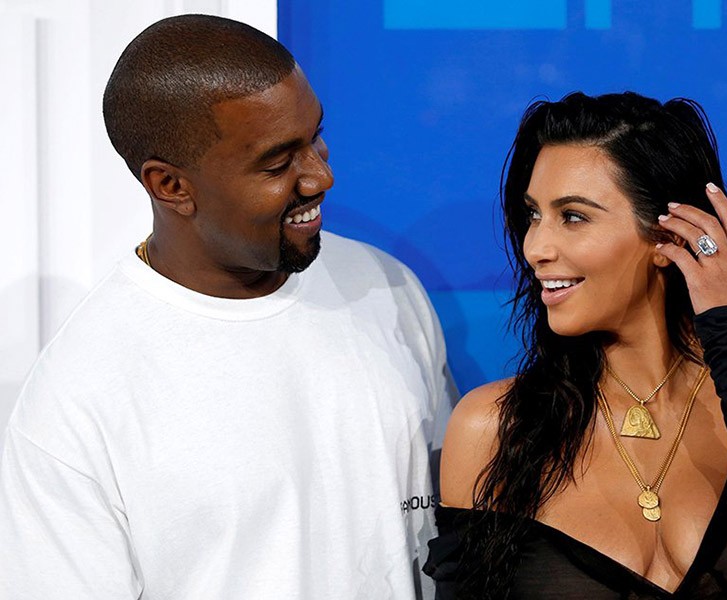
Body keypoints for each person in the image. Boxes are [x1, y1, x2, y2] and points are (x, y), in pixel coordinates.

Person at [0, 14, 455, 599]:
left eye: (315, 137)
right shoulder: (76, 403)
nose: (321, 176)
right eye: (277, 162)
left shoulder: (386, 286)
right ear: (171, 186)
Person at [423, 92, 727, 598]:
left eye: (573, 216)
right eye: (533, 215)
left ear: (668, 237)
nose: (535, 248)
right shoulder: (495, 426)